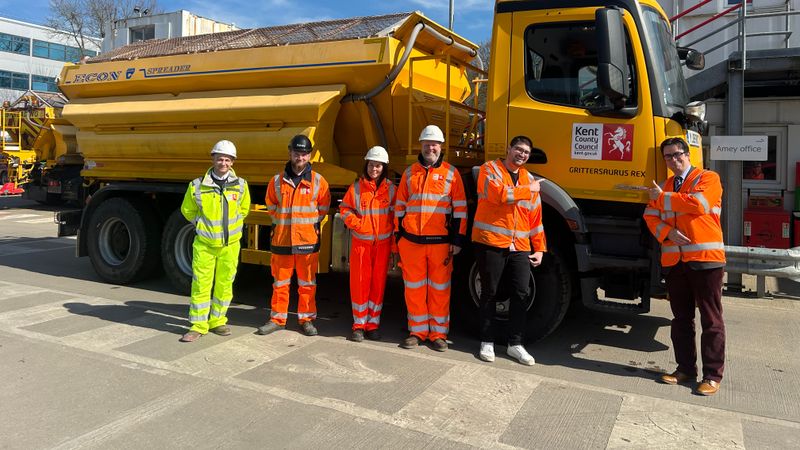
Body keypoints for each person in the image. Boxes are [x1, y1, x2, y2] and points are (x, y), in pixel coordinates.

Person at [644, 137, 726, 396]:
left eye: (677, 154)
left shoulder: (708, 178)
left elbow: (699, 205)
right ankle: (685, 369)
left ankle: (712, 376)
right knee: (681, 319)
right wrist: (667, 233)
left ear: (687, 154)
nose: (673, 160)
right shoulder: (666, 185)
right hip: (675, 261)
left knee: (711, 319)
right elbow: (650, 215)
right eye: (668, 156)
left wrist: (664, 198)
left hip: (706, 260)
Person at [471, 136, 546, 365]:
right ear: (508, 149)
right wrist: (529, 189)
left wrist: (540, 248)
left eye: (526, 152)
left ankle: (516, 344)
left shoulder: (528, 178)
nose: (521, 154)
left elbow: (535, 217)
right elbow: (499, 195)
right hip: (491, 241)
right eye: (518, 149)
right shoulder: (489, 169)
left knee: (521, 293)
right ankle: (487, 341)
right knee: (490, 292)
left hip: (520, 246)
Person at [395, 125, 467, 352]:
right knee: (414, 289)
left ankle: (438, 334)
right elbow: (399, 207)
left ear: (440, 147)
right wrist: (399, 237)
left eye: (434, 144)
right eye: (427, 144)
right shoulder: (409, 173)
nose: (430, 148)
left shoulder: (451, 173)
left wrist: (457, 240)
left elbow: (460, 209)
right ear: (421, 146)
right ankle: (417, 331)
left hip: (440, 243)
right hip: (411, 242)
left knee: (439, 289)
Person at [258, 134, 331, 337]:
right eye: (297, 153)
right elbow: (271, 206)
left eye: (304, 153)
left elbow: (323, 208)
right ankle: (277, 319)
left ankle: (306, 319)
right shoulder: (277, 181)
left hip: (307, 241)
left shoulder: (318, 181)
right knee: (280, 283)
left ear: (310, 156)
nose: (300, 157)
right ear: (290, 153)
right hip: (282, 240)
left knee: (307, 284)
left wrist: (304, 227)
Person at [179, 140, 251, 342]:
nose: (223, 163)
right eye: (220, 158)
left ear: (233, 162)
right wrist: (200, 224)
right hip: (205, 245)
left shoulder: (241, 186)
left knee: (225, 284)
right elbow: (187, 210)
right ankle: (198, 325)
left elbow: (244, 210)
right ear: (213, 159)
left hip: (230, 246)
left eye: (227, 159)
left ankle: (218, 321)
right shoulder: (197, 185)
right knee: (201, 285)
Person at [340, 146, 396, 342]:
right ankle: (358, 326)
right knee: (360, 284)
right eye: (372, 165)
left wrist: (393, 249)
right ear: (367, 165)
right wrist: (359, 225)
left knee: (378, 286)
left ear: (384, 167)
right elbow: (345, 209)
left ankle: (372, 325)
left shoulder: (391, 189)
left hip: (382, 246)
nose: (374, 169)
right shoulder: (356, 187)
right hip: (361, 245)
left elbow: (395, 217)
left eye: (378, 165)